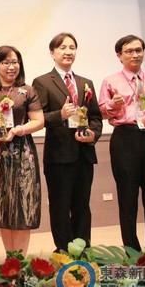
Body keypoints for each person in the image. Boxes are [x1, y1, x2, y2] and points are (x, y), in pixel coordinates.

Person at [99, 35, 145, 251]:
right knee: (127, 198)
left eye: (139, 50)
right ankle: (131, 250)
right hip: (125, 139)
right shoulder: (110, 81)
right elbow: (101, 112)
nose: (135, 55)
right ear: (119, 56)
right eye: (129, 51)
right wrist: (113, 105)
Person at [32, 33, 102, 252]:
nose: (68, 52)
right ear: (52, 53)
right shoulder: (42, 82)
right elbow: (38, 118)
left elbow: (95, 116)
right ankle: (64, 251)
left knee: (82, 206)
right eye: (62, 47)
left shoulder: (85, 83)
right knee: (60, 207)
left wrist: (93, 134)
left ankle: (84, 250)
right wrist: (60, 115)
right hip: (59, 156)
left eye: (72, 47)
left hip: (84, 153)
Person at [0, 45, 44, 255]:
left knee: (22, 206)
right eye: (6, 62)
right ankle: (10, 259)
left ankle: (20, 260)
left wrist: (18, 130)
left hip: (22, 154)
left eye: (15, 62)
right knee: (3, 207)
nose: (11, 66)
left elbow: (39, 121)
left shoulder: (27, 90)